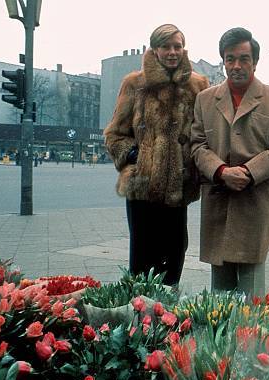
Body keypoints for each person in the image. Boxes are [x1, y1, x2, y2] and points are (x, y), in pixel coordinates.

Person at [191, 27, 269, 298]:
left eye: (244, 58)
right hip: (218, 200)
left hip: (255, 202)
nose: (236, 66)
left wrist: (249, 171)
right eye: (230, 59)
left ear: (255, 62)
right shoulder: (204, 99)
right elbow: (197, 145)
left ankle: (250, 341)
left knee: (252, 295)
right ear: (223, 61)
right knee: (219, 296)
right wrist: (221, 170)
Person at [105, 24, 210, 285]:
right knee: (141, 259)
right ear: (155, 49)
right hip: (142, 188)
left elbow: (205, 133)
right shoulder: (134, 84)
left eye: (177, 46)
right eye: (166, 46)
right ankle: (140, 317)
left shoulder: (198, 85)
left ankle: (168, 316)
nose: (172, 52)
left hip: (178, 187)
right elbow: (114, 134)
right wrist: (135, 155)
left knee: (175, 254)